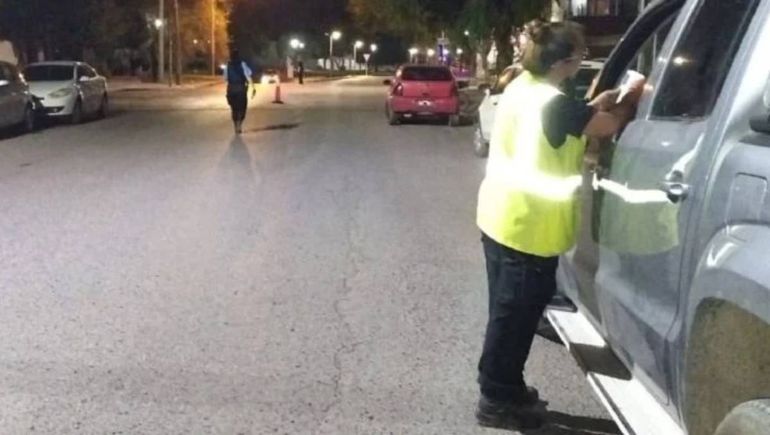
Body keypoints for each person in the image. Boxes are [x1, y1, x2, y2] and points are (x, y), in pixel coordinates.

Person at [474, 21, 642, 430]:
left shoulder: (524, 87)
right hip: (527, 230)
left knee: (507, 315)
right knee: (514, 322)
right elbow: (607, 126)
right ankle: (497, 399)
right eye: (580, 55)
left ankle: (507, 388)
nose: (582, 59)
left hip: (502, 219)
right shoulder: (554, 104)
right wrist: (632, 98)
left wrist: (595, 103)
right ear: (563, 62)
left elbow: (568, 119)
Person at [223, 48, 253, 134]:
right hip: (241, 89)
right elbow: (249, 74)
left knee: (234, 109)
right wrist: (252, 86)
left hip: (231, 89)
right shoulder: (242, 64)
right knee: (242, 108)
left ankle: (236, 125)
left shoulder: (227, 65)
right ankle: (239, 124)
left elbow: (225, 78)